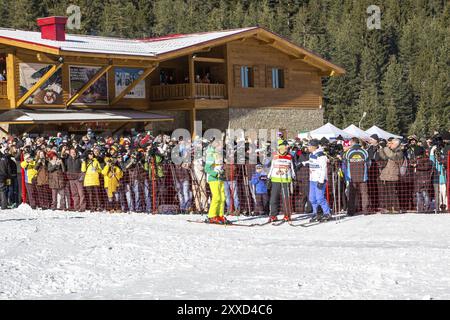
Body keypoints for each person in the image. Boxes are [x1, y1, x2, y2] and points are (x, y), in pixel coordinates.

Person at [302, 139, 332, 222]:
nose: (307, 147)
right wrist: (303, 163)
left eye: (309, 146)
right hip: (312, 179)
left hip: (319, 180)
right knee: (312, 198)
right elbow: (311, 161)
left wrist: (321, 181)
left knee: (320, 198)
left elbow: (323, 169)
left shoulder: (321, 155)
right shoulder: (312, 154)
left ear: (314, 147)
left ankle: (327, 213)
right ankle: (316, 213)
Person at [267, 139, 296, 222]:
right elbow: (271, 167)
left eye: (285, 149)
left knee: (286, 199)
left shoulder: (290, 156)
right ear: (279, 149)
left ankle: (287, 215)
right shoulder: (275, 156)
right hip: (275, 180)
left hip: (286, 180)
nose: (283, 150)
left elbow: (293, 168)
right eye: (281, 149)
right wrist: (269, 177)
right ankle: (273, 215)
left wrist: (293, 177)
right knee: (273, 199)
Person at [342, 137, 370, 215]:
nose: (349, 143)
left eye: (350, 142)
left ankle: (351, 211)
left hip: (351, 177)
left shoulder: (348, 152)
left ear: (353, 142)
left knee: (352, 194)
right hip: (363, 176)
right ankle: (365, 210)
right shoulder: (364, 151)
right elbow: (369, 163)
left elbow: (345, 163)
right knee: (364, 193)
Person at [204, 140, 227, 224]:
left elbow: (220, 167)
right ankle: (211, 216)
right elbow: (207, 168)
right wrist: (215, 174)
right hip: (213, 179)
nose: (222, 147)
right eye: (220, 146)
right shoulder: (211, 155)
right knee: (216, 197)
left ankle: (220, 215)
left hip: (220, 179)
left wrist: (223, 172)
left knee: (222, 197)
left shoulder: (220, 156)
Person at [378, 138, 403, 213]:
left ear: (396, 144)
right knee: (387, 193)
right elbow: (384, 157)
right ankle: (388, 208)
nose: (390, 144)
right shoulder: (390, 150)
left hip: (393, 175)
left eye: (391, 143)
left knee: (393, 193)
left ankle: (396, 208)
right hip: (386, 175)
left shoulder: (399, 152)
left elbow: (391, 156)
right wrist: (381, 149)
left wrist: (385, 148)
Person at [64, 148, 86, 212]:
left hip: (78, 179)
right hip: (71, 179)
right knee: (74, 194)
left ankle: (82, 207)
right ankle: (76, 207)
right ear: (70, 153)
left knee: (81, 193)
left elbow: (83, 168)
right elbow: (62, 156)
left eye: (74, 152)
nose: (73, 153)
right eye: (71, 152)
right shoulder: (67, 159)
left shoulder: (79, 159)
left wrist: (81, 177)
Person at [412, 147, 432, 212]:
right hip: (417, 179)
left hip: (424, 179)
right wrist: (412, 164)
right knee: (418, 194)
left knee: (425, 194)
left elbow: (426, 167)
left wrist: (417, 166)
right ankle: (420, 209)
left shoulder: (426, 159)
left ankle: (427, 208)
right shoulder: (416, 159)